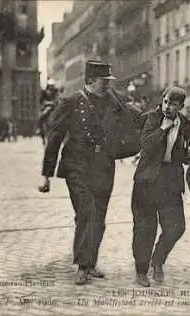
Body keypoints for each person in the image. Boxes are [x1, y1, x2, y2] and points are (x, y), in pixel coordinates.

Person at [39, 61, 122, 285]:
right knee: (87, 210)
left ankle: (91, 263)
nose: (107, 86)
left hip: (103, 166)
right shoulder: (71, 102)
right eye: (104, 82)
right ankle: (82, 265)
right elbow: (55, 137)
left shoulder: (114, 101)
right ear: (90, 81)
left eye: (108, 82)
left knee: (99, 217)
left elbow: (133, 121)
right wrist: (46, 174)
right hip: (77, 166)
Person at [131, 87, 190, 287]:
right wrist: (163, 129)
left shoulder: (185, 124)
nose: (167, 107)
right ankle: (141, 271)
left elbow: (184, 153)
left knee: (176, 227)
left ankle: (157, 260)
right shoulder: (152, 118)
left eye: (173, 104)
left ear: (181, 106)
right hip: (147, 181)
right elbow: (146, 144)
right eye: (166, 102)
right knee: (144, 228)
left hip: (171, 181)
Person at [37, 79, 59, 145]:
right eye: (51, 86)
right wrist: (47, 103)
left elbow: (57, 99)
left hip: (54, 107)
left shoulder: (56, 91)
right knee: (42, 116)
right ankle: (40, 129)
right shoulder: (44, 92)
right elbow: (41, 101)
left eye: (53, 86)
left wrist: (55, 102)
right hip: (46, 107)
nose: (52, 87)